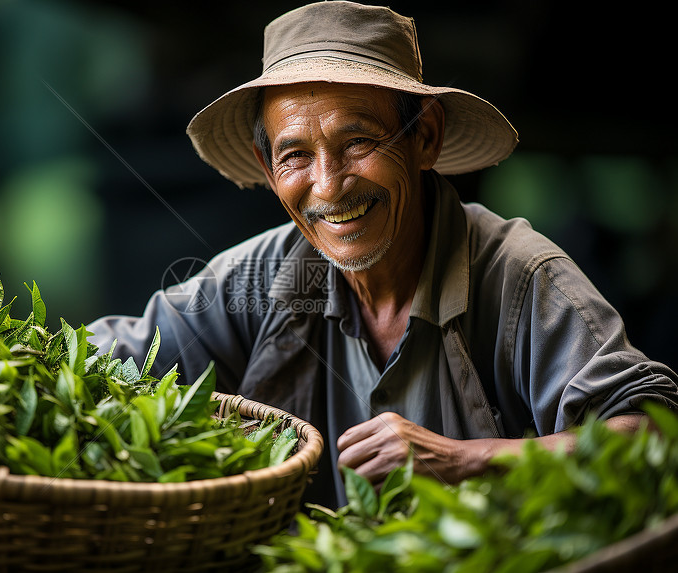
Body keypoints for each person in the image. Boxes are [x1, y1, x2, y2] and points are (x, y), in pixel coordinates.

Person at [88, 1, 678, 506]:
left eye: (360, 142)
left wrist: (469, 461)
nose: (329, 185)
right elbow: (104, 366)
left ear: (425, 138)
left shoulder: (519, 277)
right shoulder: (257, 279)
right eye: (294, 156)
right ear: (268, 168)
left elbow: (652, 437)